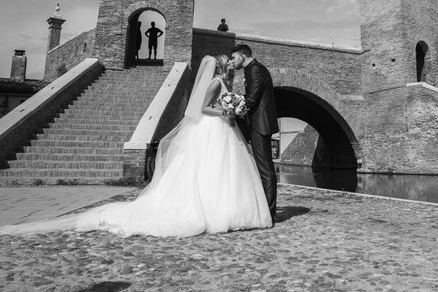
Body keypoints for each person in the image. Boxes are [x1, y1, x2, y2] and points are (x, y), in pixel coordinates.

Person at [0, 55, 272, 237]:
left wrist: (230, 109)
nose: (229, 65)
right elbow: (202, 108)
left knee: (220, 171)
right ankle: (216, 210)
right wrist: (225, 112)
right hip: (214, 128)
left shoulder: (223, 82)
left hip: (223, 130)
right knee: (211, 168)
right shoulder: (215, 83)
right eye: (226, 63)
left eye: (228, 62)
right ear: (218, 68)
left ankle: (226, 209)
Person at [231, 44, 279, 222]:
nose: (233, 61)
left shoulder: (255, 70)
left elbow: (251, 100)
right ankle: (262, 207)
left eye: (234, 57)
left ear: (243, 56)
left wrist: (230, 109)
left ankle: (269, 212)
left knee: (265, 168)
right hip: (255, 124)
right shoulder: (252, 69)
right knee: (260, 166)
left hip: (260, 125)